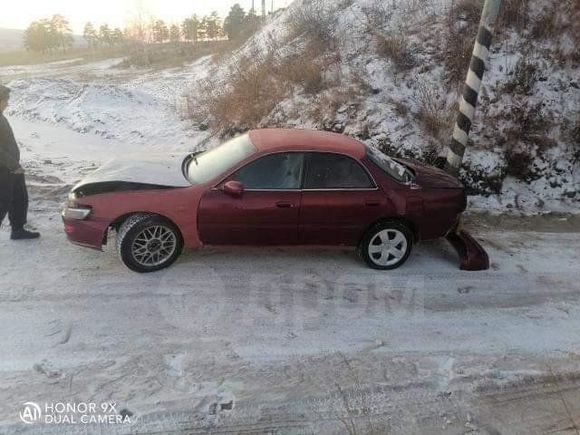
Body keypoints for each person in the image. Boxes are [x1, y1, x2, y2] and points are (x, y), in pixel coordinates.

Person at [0, 85, 40, 240]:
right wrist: (13, 165)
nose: (7, 103)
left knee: (19, 197)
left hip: (11, 167)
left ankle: (18, 229)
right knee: (2, 201)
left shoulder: (1, 116)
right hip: (4, 168)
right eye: (5, 100)